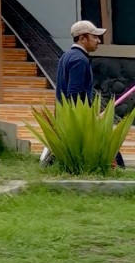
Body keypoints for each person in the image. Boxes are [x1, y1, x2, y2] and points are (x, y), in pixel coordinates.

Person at [48, 19, 125, 167]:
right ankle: (119, 168)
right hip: (77, 118)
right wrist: (87, 116)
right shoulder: (80, 60)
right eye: (94, 37)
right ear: (82, 38)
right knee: (106, 143)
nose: (99, 41)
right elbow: (74, 93)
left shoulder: (66, 56)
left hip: (66, 115)